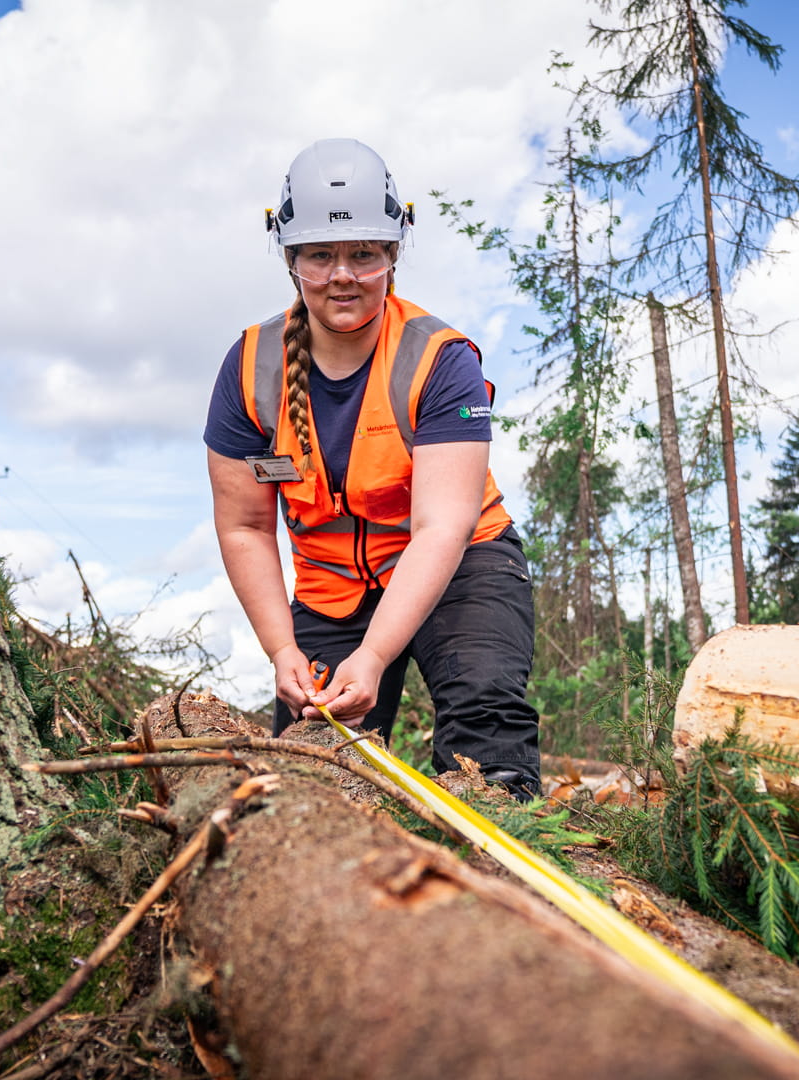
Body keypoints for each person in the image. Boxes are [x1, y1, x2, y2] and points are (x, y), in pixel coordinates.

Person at [203, 138, 541, 798]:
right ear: (290, 257)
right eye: (319, 255)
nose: (341, 275)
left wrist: (377, 655)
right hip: (331, 593)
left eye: (363, 253)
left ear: (392, 252)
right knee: (312, 763)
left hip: (459, 566)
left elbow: (442, 527)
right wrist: (284, 654)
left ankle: (506, 847)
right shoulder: (248, 369)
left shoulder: (438, 360)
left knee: (484, 711)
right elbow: (244, 526)